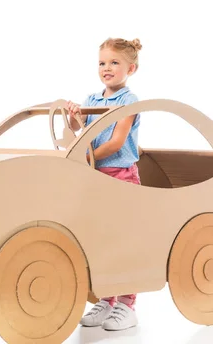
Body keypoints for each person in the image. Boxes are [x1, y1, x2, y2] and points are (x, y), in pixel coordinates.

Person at [67, 37, 143, 331]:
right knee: (98, 239)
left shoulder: (129, 101)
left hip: (120, 177)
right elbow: (79, 131)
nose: (107, 68)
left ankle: (127, 304)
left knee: (123, 239)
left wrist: (85, 158)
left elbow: (116, 142)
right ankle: (106, 300)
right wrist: (75, 116)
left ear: (130, 69)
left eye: (114, 63)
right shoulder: (92, 100)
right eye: (102, 63)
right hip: (95, 177)